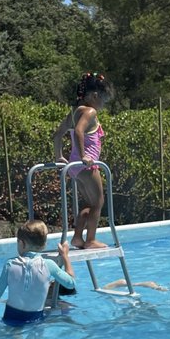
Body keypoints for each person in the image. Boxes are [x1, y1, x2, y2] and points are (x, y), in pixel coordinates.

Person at [0, 220, 76, 326]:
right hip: (35, 320)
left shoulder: (10, 264)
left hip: (11, 318)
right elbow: (71, 283)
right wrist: (65, 256)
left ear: (22, 243)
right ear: (44, 245)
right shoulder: (49, 265)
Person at [52, 72, 113, 249]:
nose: (103, 104)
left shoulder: (74, 112)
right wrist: (84, 156)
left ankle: (78, 238)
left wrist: (59, 156)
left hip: (75, 167)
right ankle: (91, 240)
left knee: (90, 204)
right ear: (94, 96)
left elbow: (57, 136)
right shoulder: (89, 111)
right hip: (86, 166)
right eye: (103, 100)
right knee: (99, 202)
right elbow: (79, 132)